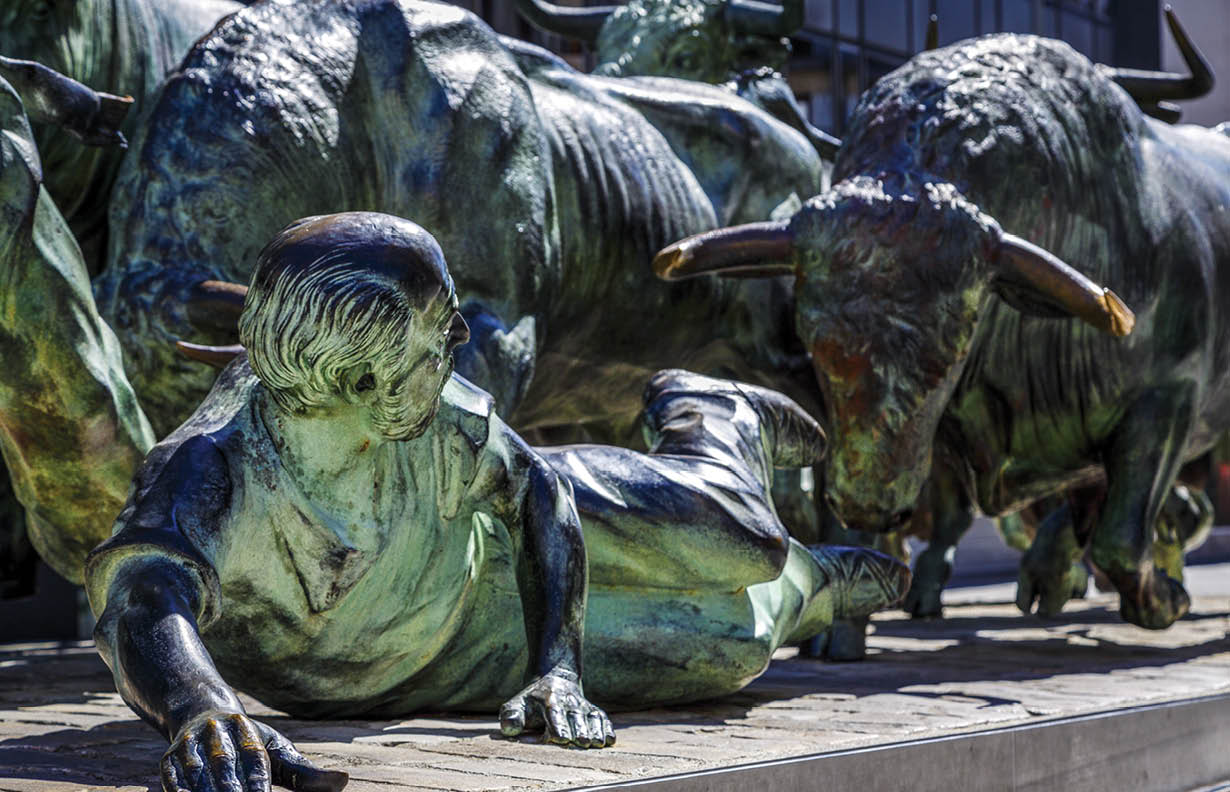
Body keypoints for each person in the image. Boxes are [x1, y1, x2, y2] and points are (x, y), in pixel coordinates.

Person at [86, 212, 908, 792]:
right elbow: (143, 598)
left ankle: (710, 418)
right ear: (357, 379)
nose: (459, 342)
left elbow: (537, 490)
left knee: (740, 544)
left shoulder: (430, 406)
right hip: (428, 665)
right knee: (730, 649)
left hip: (496, 558)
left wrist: (558, 671)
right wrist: (200, 708)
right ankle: (823, 588)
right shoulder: (210, 465)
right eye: (440, 328)